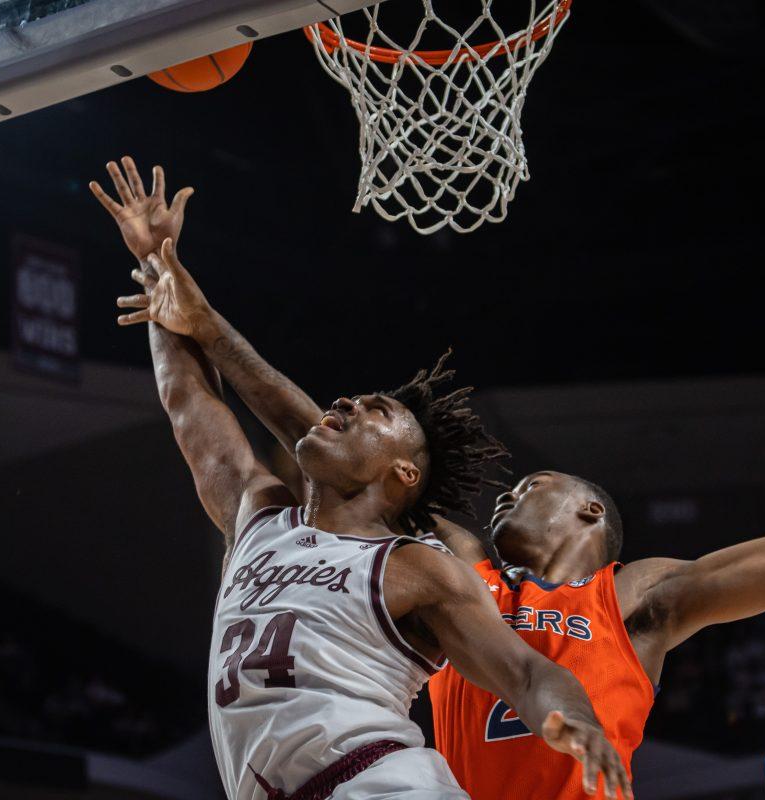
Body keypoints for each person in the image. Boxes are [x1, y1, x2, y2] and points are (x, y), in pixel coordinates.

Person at [95, 159, 765, 800]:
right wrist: (195, 320)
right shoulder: (443, 560)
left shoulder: (636, 600)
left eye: (533, 482)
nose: (508, 493)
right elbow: (321, 451)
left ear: (590, 509)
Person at [90, 158, 632, 800]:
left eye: (375, 411)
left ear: (404, 471)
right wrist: (158, 263)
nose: (344, 404)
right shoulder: (258, 516)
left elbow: (522, 670)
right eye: (347, 403)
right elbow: (188, 404)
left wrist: (577, 717)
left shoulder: (419, 568)